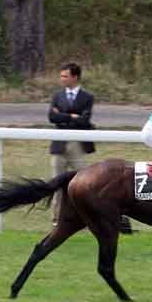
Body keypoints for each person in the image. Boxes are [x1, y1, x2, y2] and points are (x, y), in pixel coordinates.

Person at [48, 62, 95, 226]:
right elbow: (51, 117)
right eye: (61, 76)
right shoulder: (57, 96)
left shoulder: (87, 97)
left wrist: (63, 115)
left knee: (81, 183)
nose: (62, 79)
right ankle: (56, 219)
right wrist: (72, 117)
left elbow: (85, 120)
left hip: (77, 145)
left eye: (65, 76)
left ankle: (80, 218)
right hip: (59, 144)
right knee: (57, 183)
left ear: (75, 77)